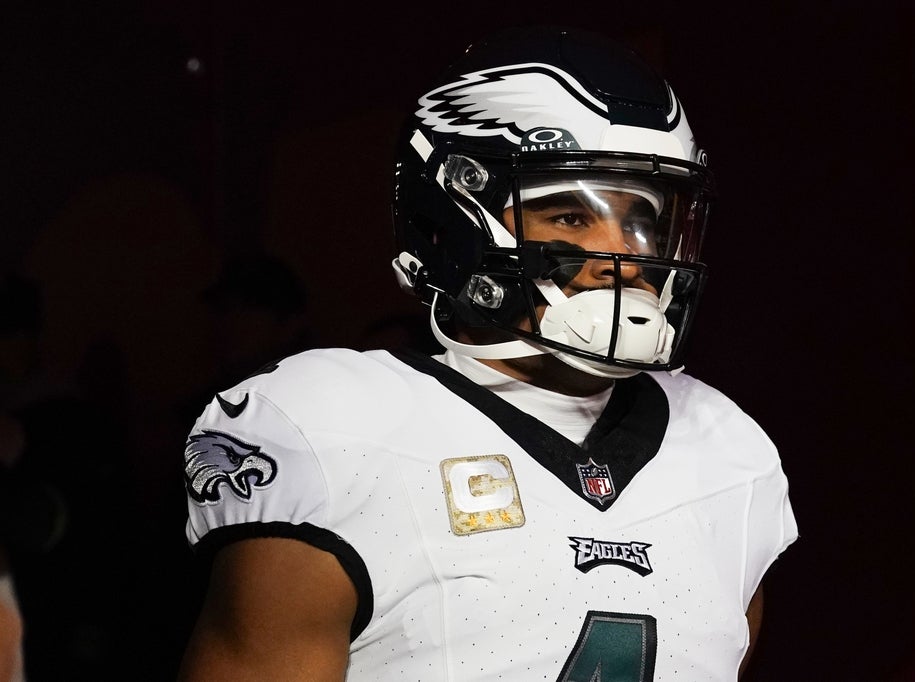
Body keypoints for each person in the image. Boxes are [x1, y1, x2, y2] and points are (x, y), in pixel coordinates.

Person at [178, 25, 798, 681]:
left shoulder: (726, 449)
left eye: (643, 219)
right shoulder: (334, 427)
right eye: (571, 216)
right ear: (455, 220)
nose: (625, 255)